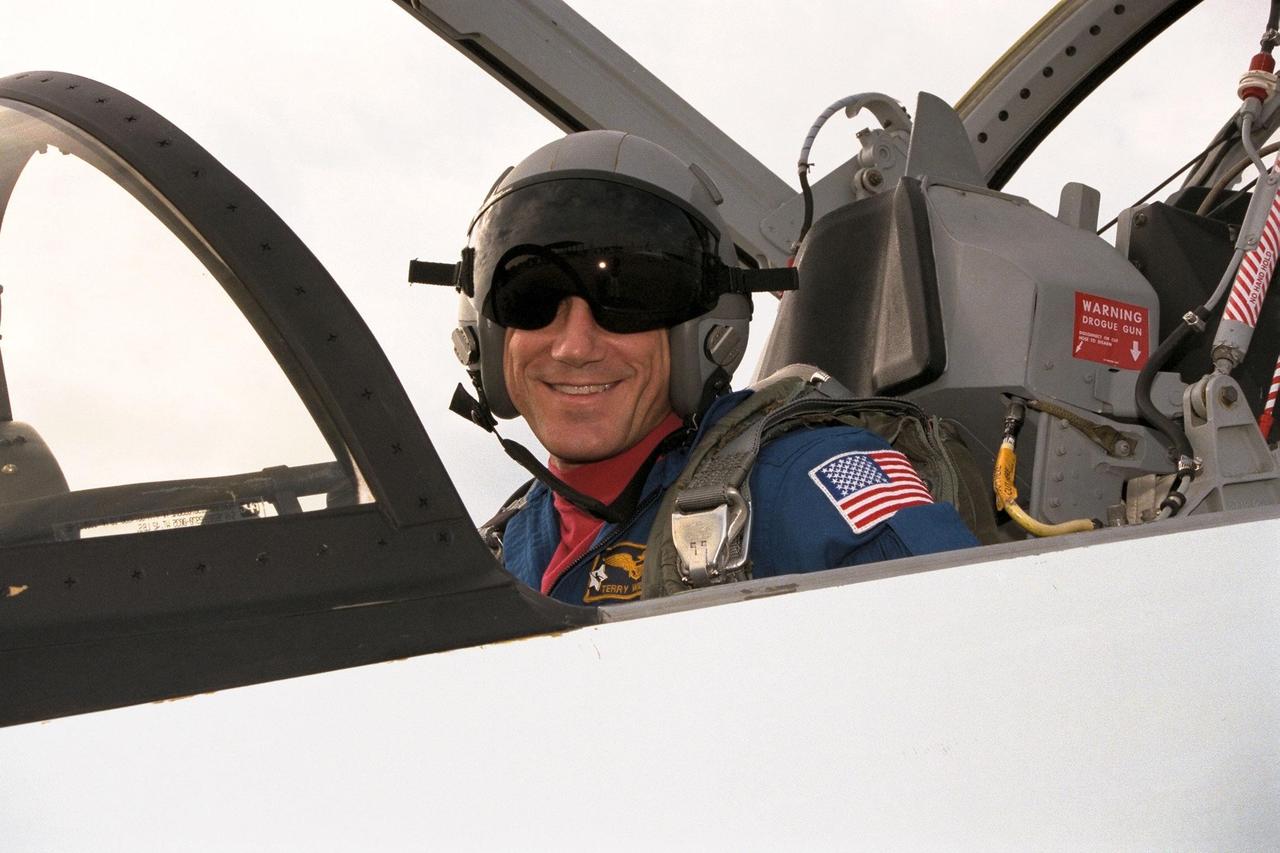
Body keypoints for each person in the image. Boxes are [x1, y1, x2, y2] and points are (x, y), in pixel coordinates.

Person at [435, 130, 977, 605]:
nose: (574, 347)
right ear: (486, 336)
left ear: (704, 332)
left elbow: (976, 665)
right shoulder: (509, 545)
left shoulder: (804, 486)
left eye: (628, 303)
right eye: (531, 301)